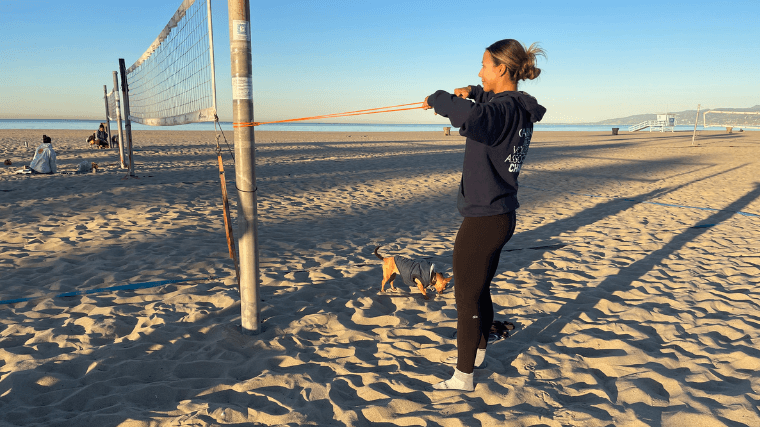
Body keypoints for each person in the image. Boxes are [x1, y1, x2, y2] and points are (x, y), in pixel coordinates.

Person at [422, 39, 546, 391]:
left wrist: (440, 98)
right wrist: (475, 90)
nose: (479, 71)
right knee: (478, 288)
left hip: (485, 217)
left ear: (502, 69)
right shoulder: (515, 106)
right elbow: (487, 103)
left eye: (483, 66)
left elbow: (475, 117)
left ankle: (463, 377)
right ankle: (475, 355)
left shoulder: (502, 111)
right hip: (500, 213)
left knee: (466, 294)